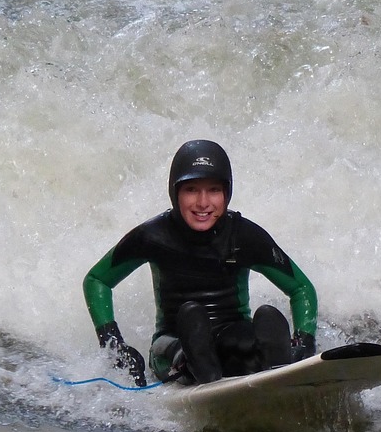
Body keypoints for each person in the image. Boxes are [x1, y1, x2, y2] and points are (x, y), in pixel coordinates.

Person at [83, 139, 318, 387]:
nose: (203, 203)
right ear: (176, 193)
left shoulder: (244, 236)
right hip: (173, 342)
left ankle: (274, 364)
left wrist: (305, 340)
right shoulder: (153, 236)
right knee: (191, 327)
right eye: (192, 189)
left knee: (255, 333)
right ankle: (200, 368)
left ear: (227, 193)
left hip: (231, 335)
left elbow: (301, 288)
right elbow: (97, 280)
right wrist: (112, 342)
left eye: (214, 190)